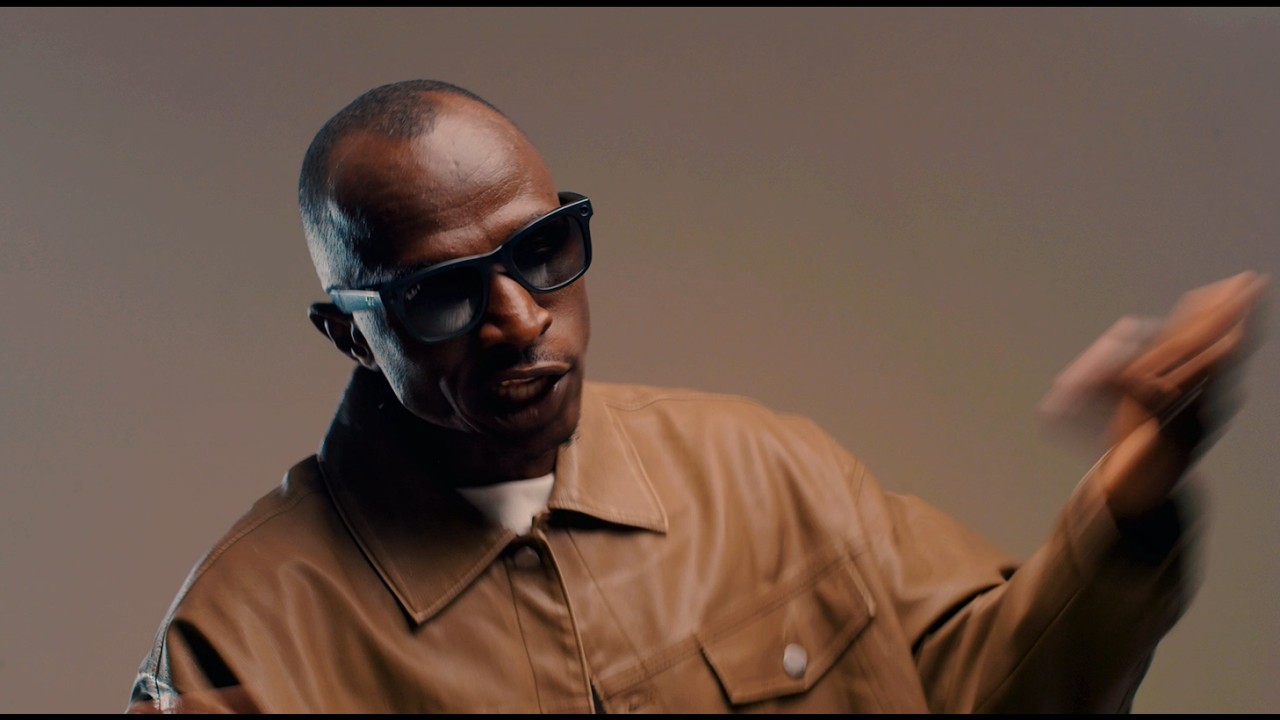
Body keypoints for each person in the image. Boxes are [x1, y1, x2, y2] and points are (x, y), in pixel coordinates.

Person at [125, 79, 1269, 714]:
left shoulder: (762, 469)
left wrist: (1134, 481)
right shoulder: (243, 647)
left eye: (541, 250)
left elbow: (993, 691)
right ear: (347, 333)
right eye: (441, 295)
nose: (517, 318)